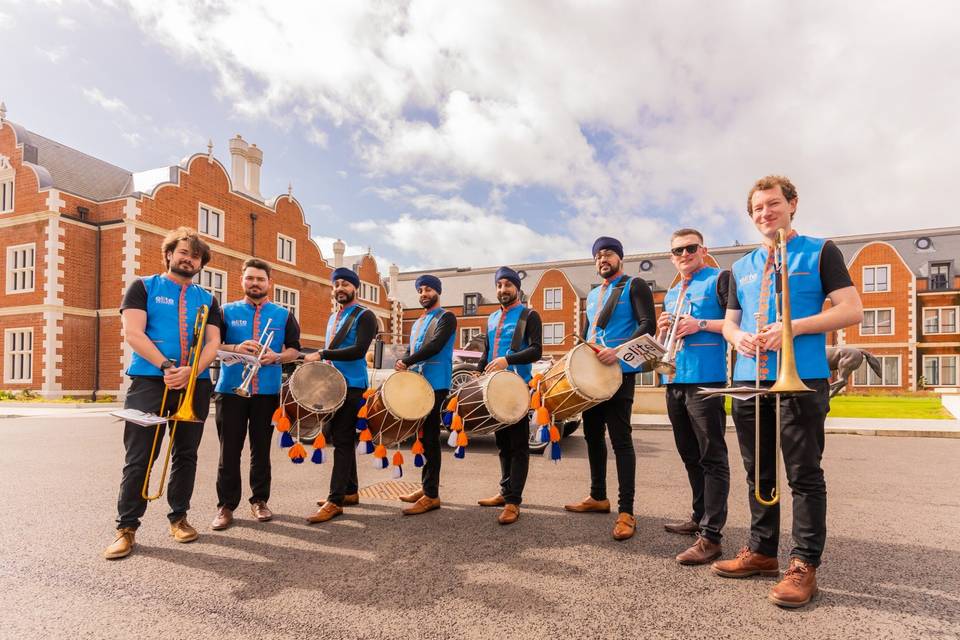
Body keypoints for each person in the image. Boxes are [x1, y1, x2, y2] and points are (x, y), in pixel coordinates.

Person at [714, 175, 863, 608]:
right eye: (757, 208)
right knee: (757, 472)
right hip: (748, 378)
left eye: (773, 204)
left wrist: (792, 328)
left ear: (793, 204)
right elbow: (729, 321)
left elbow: (852, 309)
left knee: (803, 476)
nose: (765, 213)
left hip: (803, 377)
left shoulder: (820, 250)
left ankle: (804, 565)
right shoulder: (740, 267)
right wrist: (735, 336)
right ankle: (762, 551)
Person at [104, 227, 222, 559]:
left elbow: (212, 342)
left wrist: (192, 371)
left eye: (196, 256)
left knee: (186, 455)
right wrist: (167, 367)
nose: (189, 259)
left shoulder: (208, 299)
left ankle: (179, 517)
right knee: (140, 457)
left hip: (194, 384)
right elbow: (133, 332)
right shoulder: (143, 287)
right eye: (184, 252)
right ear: (169, 254)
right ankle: (126, 527)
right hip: (150, 380)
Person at [565, 236, 655, 541]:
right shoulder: (592, 296)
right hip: (592, 378)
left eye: (609, 254)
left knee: (621, 441)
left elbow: (648, 325)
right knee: (591, 436)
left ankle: (626, 511)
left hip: (620, 372)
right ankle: (598, 496)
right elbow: (593, 333)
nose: (603, 259)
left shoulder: (635, 285)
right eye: (598, 256)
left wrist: (616, 351)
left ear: (620, 258)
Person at [657, 229, 731, 565]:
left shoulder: (719, 279)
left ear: (703, 249)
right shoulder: (672, 292)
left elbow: (734, 324)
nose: (684, 254)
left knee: (712, 457)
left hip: (706, 380)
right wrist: (662, 328)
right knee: (689, 454)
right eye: (677, 251)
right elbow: (666, 337)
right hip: (674, 378)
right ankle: (699, 517)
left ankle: (712, 536)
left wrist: (699, 323)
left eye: (690, 248)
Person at [211, 258, 302, 530]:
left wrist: (277, 356)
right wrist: (237, 348)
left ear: (269, 283)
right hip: (231, 390)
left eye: (260, 279)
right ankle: (226, 506)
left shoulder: (283, 315)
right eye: (250, 278)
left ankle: (259, 500)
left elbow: (294, 349)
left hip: (266, 393)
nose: (255, 283)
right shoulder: (225, 311)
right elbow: (211, 346)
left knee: (260, 450)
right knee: (229, 452)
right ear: (242, 280)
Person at [304, 267, 378, 524]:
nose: (340, 289)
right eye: (336, 285)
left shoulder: (365, 315)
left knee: (344, 441)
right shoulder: (332, 317)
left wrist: (323, 354)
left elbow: (358, 351)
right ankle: (350, 491)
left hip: (353, 386)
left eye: (345, 284)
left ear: (355, 287)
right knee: (337, 438)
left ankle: (334, 501)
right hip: (332, 386)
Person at [475, 267, 543, 525]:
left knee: (518, 446)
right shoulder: (491, 317)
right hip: (492, 388)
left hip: (517, 387)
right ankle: (505, 492)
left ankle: (514, 502)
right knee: (502, 443)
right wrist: (477, 372)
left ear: (517, 288)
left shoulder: (529, 315)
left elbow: (536, 351)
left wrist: (508, 359)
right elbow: (487, 352)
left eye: (508, 285)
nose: (503, 289)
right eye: (499, 285)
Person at [395, 274, 457, 515]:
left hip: (436, 383)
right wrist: (404, 365)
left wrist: (407, 360)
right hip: (418, 383)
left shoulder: (447, 317)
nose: (424, 294)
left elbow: (436, 346)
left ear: (437, 292)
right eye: (420, 290)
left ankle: (432, 495)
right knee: (421, 436)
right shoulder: (418, 321)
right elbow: (413, 348)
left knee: (430, 437)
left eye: (428, 289)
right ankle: (425, 486)